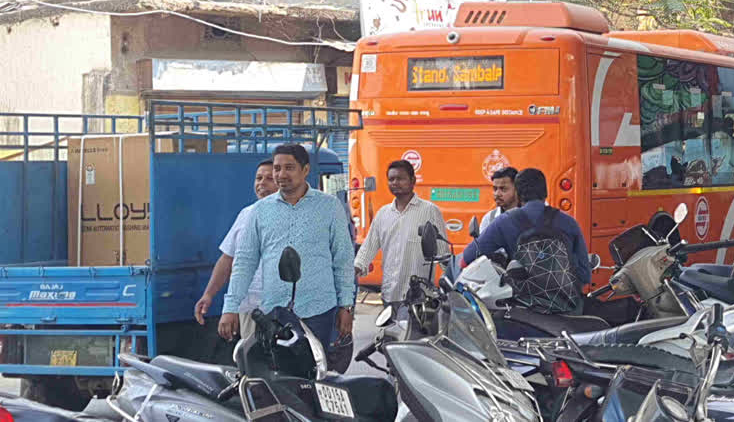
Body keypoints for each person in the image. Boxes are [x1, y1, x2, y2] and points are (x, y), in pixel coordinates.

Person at [218, 144, 356, 363]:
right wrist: (230, 308)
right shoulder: (259, 211)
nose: (281, 174)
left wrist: (346, 306)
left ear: (305, 170)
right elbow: (244, 262)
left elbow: (343, 260)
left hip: (318, 311)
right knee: (275, 374)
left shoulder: (330, 207)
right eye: (277, 168)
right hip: (273, 312)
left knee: (313, 373)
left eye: (289, 168)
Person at [460, 168, 591, 312]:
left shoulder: (504, 222)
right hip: (568, 309)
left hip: (525, 309)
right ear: (545, 193)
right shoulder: (569, 223)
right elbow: (584, 275)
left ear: (517, 194)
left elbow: (467, 258)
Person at [193, 160, 276, 339]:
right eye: (259, 178)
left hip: (283, 310)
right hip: (250, 309)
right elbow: (227, 259)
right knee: (251, 354)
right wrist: (209, 295)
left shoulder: (294, 217)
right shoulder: (246, 214)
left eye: (270, 179)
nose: (262, 183)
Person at [353, 160, 447, 316]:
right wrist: (354, 269)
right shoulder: (383, 214)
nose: (395, 183)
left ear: (413, 181)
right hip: (390, 297)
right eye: (391, 179)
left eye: (400, 178)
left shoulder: (430, 211)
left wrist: (452, 281)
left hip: (419, 299)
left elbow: (443, 253)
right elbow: (368, 247)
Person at [480, 166, 519, 233]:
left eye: (503, 189)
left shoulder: (529, 215)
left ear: (517, 189)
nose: (497, 194)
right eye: (495, 189)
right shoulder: (489, 218)